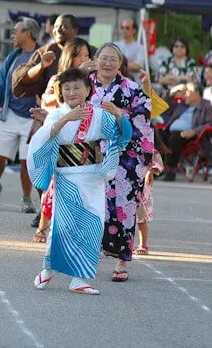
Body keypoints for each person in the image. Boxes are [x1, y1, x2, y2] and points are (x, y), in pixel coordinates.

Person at [29, 68, 131, 295]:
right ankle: (47, 269)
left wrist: (117, 116)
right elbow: (43, 139)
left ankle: (80, 279)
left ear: (88, 90)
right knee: (62, 227)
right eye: (67, 88)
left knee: (92, 226)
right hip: (67, 178)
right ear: (61, 92)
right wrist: (67, 118)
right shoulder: (56, 114)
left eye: (77, 87)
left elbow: (122, 135)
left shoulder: (99, 114)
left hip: (93, 176)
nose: (72, 91)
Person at [88, 43, 153, 282]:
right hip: (91, 152)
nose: (107, 63)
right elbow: (71, 105)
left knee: (124, 207)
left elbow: (144, 116)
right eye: (103, 58)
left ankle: (122, 260)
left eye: (112, 59)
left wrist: (118, 113)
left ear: (120, 63)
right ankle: (89, 254)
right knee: (92, 204)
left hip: (125, 155)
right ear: (95, 61)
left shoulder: (132, 88)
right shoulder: (85, 85)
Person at [30, 37, 93, 242]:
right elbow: (52, 103)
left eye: (86, 55)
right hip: (61, 139)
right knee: (53, 188)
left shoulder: (94, 80)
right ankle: (43, 225)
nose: (84, 59)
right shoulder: (58, 80)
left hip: (85, 145)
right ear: (69, 56)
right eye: (79, 55)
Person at [0, 18, 40, 213]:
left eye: (16, 31)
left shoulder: (42, 56)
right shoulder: (13, 56)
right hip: (11, 113)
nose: (12, 35)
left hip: (33, 117)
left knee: (26, 161)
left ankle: (26, 198)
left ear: (28, 33)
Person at [159, 82, 212, 182]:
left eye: (188, 91)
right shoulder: (181, 105)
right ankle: (157, 167)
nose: (185, 94)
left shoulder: (207, 107)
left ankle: (171, 171)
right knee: (156, 135)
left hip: (191, 137)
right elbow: (164, 105)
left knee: (174, 138)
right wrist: (174, 91)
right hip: (171, 132)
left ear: (196, 94)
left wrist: (194, 131)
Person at [12, 14, 80, 99]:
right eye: (55, 26)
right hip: (49, 108)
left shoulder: (87, 51)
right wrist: (41, 66)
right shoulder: (44, 52)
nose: (58, 30)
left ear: (75, 31)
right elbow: (23, 77)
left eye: (63, 27)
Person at [115, 18, 146, 82]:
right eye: (122, 27)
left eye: (127, 28)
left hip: (134, 84)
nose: (124, 30)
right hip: (116, 83)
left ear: (134, 30)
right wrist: (130, 63)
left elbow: (137, 66)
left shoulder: (140, 48)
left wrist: (117, 63)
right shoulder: (114, 46)